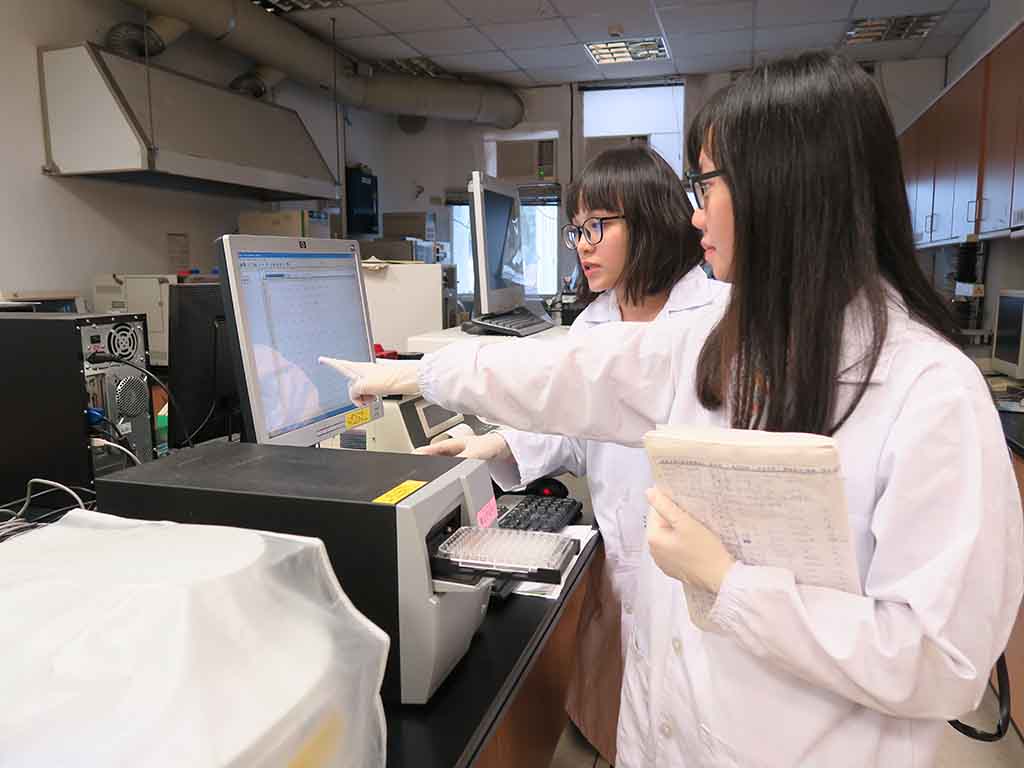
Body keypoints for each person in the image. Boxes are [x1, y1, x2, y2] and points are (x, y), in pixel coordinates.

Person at [322, 51, 1023, 767]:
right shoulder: (720, 342)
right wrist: (422, 373)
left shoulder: (932, 394)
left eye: (707, 184)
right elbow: (573, 374)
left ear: (785, 186)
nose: (694, 212)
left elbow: (942, 660)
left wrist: (731, 585)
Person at [416, 145, 726, 763]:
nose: (583, 245)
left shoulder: (718, 316)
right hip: (622, 568)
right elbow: (574, 428)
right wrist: (492, 442)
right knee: (618, 731)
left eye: (598, 226)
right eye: (577, 230)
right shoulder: (594, 322)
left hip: (696, 582)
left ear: (652, 219)